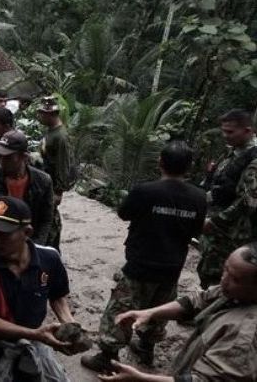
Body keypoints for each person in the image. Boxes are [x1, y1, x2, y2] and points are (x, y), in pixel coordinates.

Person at [81, 141, 207, 372]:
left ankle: (107, 356)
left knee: (121, 309)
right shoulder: (199, 197)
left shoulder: (145, 191)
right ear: (189, 167)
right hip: (172, 265)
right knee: (160, 309)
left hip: (140, 263)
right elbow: (196, 231)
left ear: (160, 162)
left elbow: (123, 214)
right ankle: (146, 349)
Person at [95, 244, 257, 382]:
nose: (224, 280)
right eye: (225, 270)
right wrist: (149, 313)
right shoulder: (235, 292)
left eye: (235, 278)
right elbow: (195, 302)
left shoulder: (244, 335)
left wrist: (141, 378)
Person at [0, 196, 74, 382]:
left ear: (27, 232)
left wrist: (70, 326)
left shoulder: (49, 258)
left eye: (4, 234)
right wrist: (36, 334)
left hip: (33, 343)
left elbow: (58, 297)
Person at [198, 108, 257, 289]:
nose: (225, 135)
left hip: (233, 234)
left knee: (223, 280)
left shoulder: (253, 158)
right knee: (208, 273)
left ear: (248, 131)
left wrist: (215, 221)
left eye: (230, 132)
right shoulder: (234, 152)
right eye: (223, 131)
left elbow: (249, 201)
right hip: (218, 231)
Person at [36, 97, 75, 251]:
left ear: (52, 114)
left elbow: (63, 164)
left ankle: (52, 251)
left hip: (52, 185)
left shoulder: (60, 137)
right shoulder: (50, 131)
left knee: (50, 222)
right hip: (45, 182)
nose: (40, 116)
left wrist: (59, 191)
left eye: (43, 113)